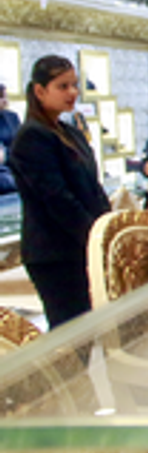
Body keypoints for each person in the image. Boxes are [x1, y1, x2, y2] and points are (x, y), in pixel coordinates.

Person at [10, 55, 110, 327]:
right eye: (63, 86)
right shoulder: (32, 137)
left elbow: (91, 186)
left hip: (77, 246)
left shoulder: (69, 131)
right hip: (54, 253)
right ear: (40, 91)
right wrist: (92, 236)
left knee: (92, 325)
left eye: (74, 85)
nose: (72, 92)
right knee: (71, 329)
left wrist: (107, 227)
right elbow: (57, 198)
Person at [0, 84, 22, 194]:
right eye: (1, 97)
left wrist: (5, 154)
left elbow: (22, 146)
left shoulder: (12, 117)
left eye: (5, 97)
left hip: (12, 165)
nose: (5, 101)